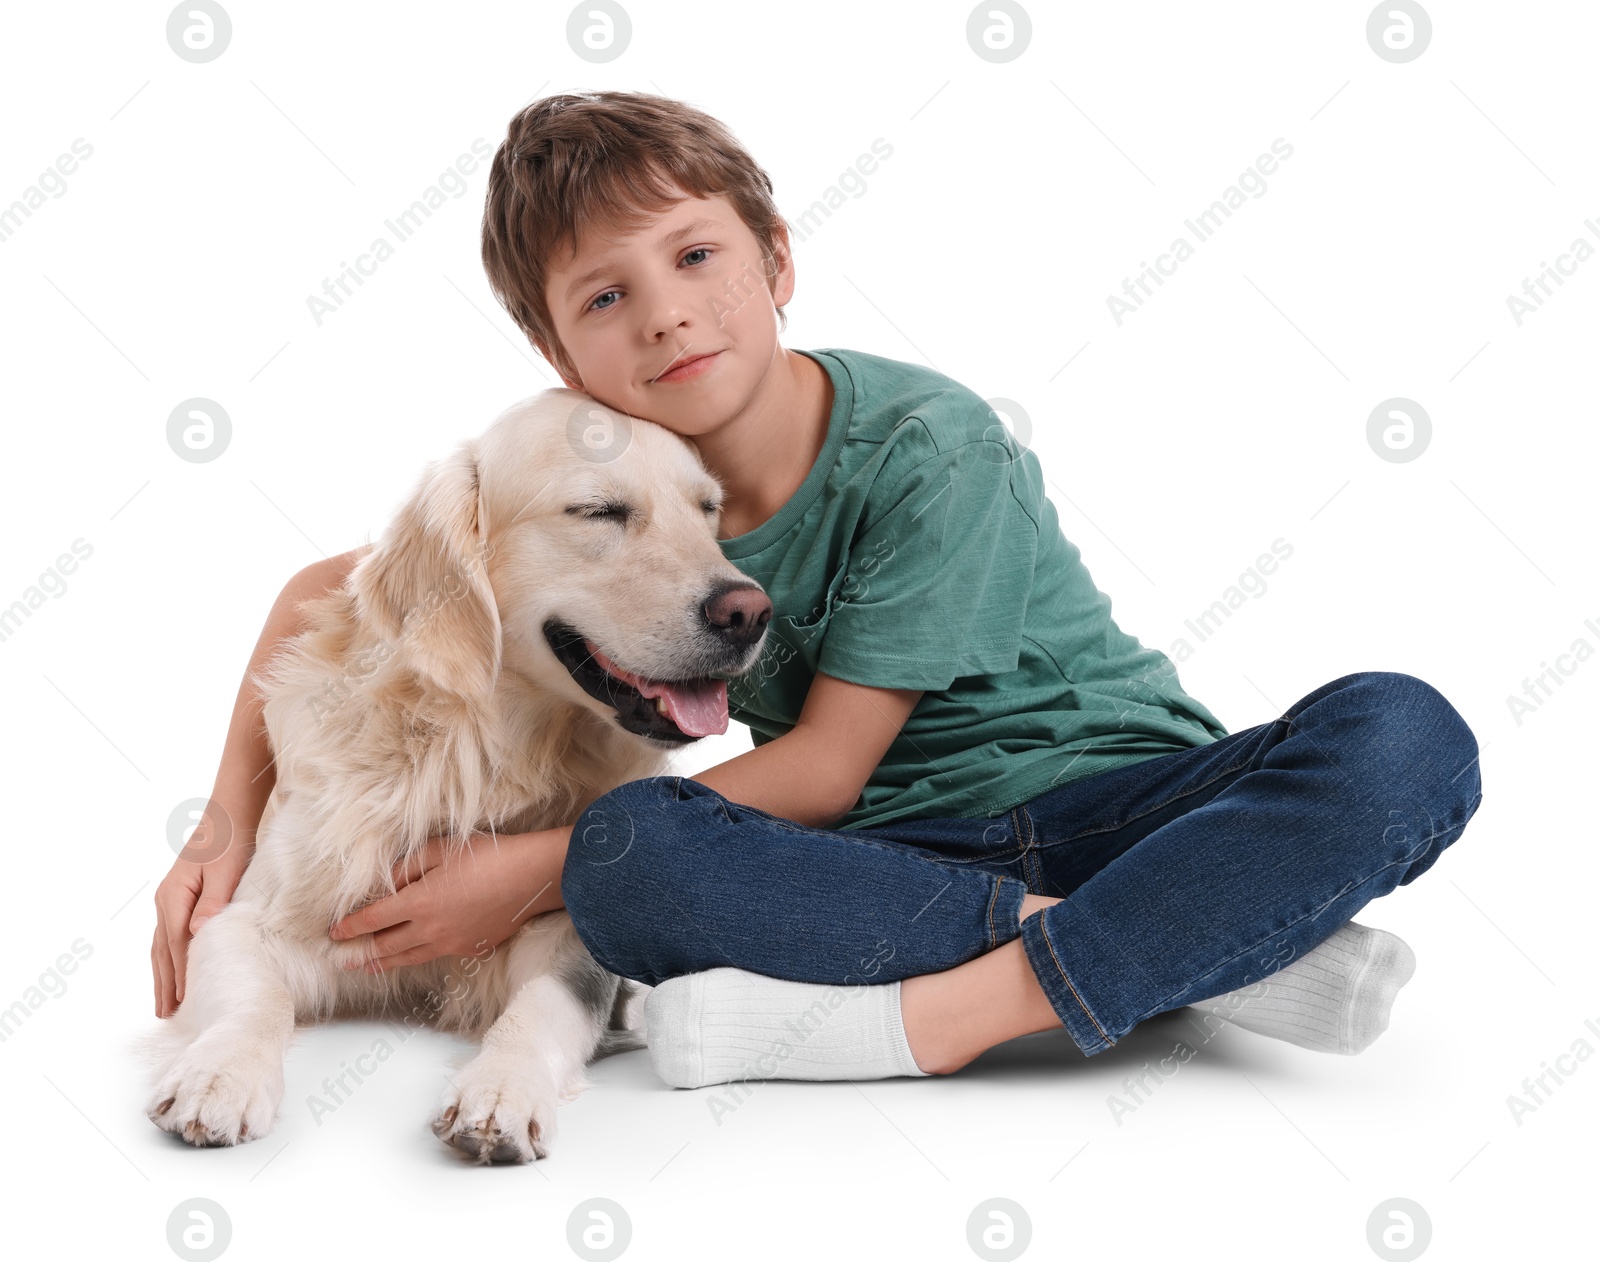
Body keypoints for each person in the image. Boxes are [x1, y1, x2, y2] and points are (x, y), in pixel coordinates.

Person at [152, 91, 1484, 1088]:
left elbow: (831, 764)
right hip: (893, 865)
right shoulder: (595, 482)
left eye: (694, 256)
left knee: (1404, 733)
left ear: (776, 260)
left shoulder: (927, 443)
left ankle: (931, 1020)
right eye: (606, 295)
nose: (666, 315)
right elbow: (341, 590)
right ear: (557, 350)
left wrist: (511, 875)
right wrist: (225, 823)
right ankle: (1200, 951)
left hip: (1116, 802)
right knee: (631, 852)